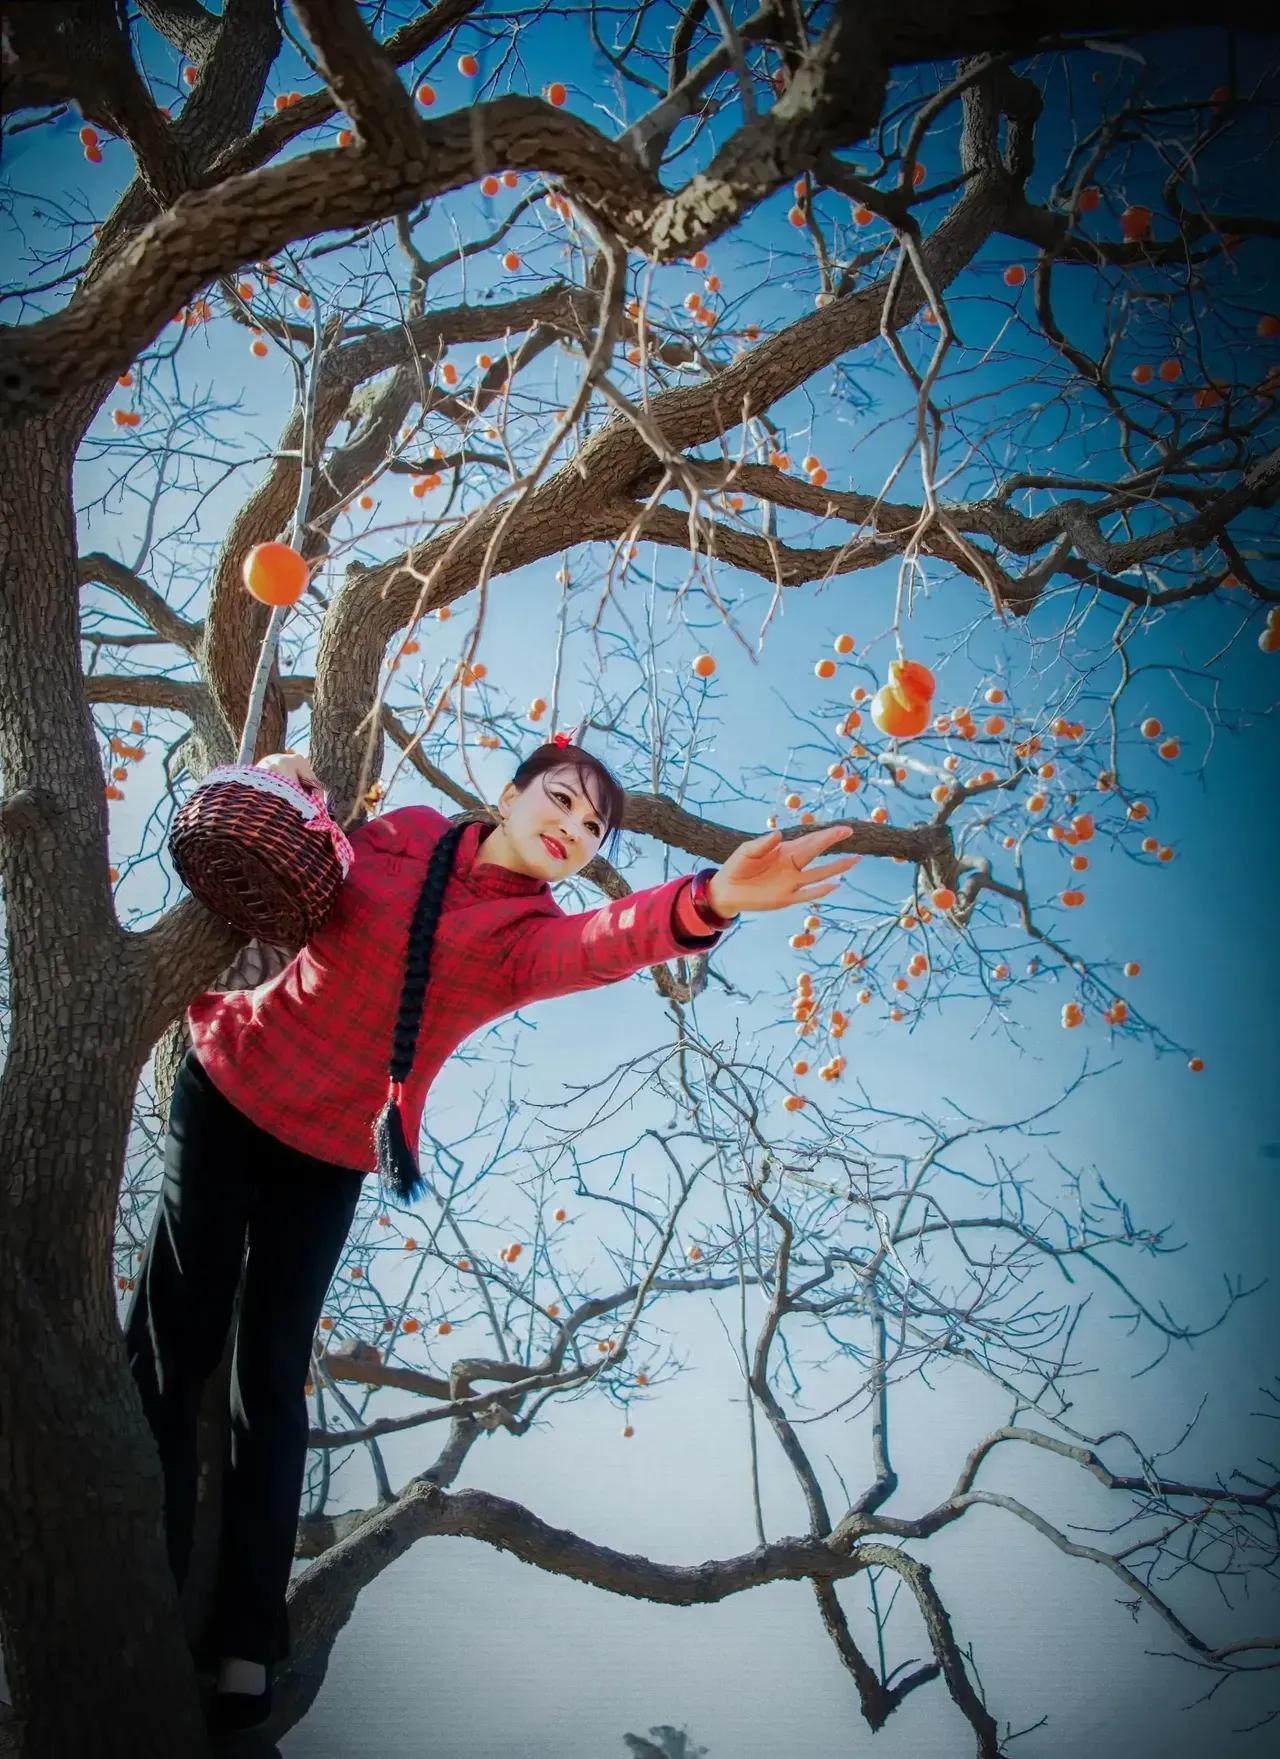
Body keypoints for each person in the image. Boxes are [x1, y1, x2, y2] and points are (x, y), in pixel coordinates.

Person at [122, 729, 857, 1736]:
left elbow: (608, 941)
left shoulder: (527, 940)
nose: (572, 828)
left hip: (329, 1150)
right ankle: (143, 1580)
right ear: (508, 796)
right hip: (229, 1082)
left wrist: (713, 899)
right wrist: (283, 782)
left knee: (269, 1382)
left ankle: (242, 1642)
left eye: (592, 825)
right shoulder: (407, 834)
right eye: (559, 799)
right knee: (173, 1343)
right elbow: (307, 855)